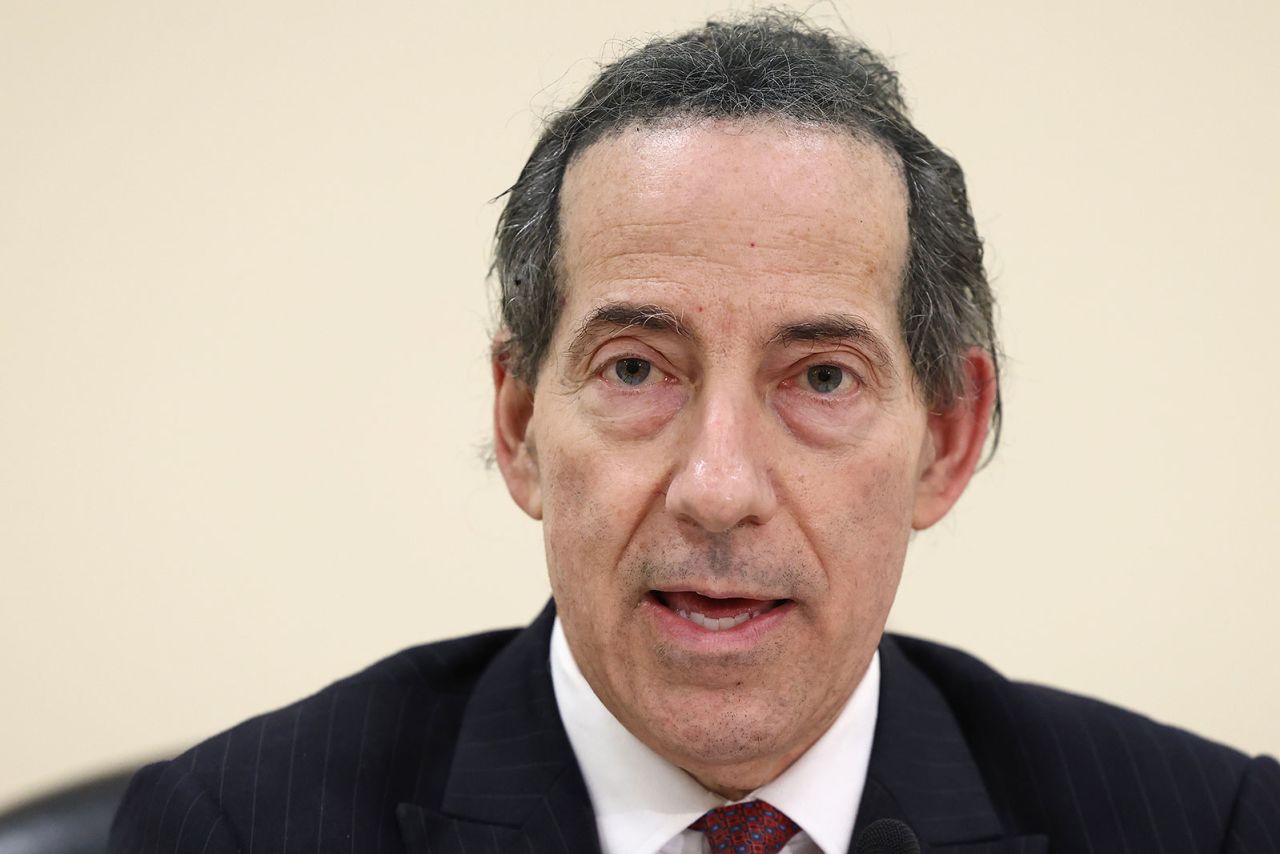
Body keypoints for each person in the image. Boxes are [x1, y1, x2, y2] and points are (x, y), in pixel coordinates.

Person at [109, 13, 1280, 854]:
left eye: (819, 374)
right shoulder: (234, 826)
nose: (717, 488)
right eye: (634, 368)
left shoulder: (1210, 825)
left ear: (948, 437)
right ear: (519, 423)